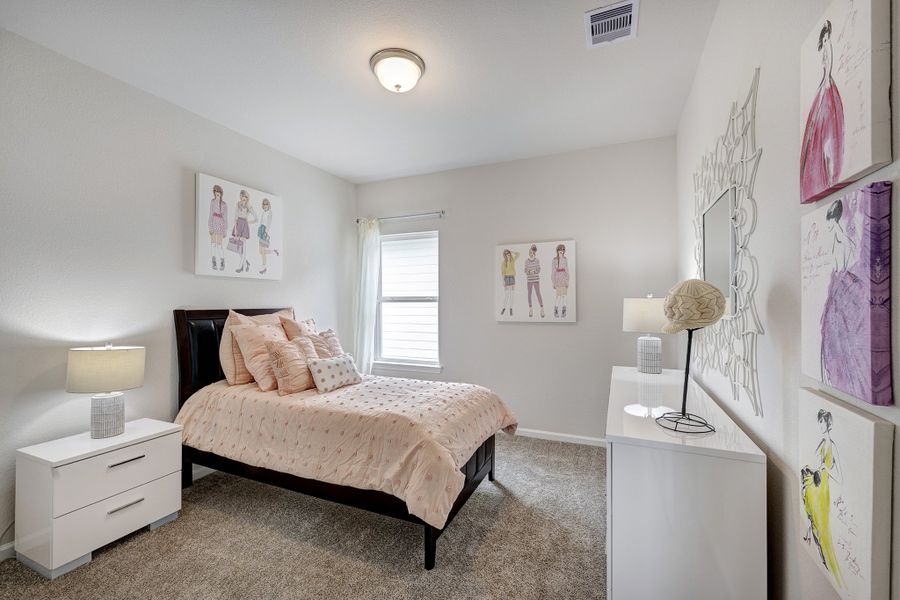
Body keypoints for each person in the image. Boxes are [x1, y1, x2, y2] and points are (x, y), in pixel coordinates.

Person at [800, 19, 844, 203]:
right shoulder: (826, 47)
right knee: (818, 135)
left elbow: (828, 70)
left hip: (826, 87)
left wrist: (826, 85)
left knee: (826, 131)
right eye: (825, 37)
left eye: (827, 36)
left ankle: (829, 174)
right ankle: (823, 174)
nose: (826, 40)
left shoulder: (829, 47)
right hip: (823, 88)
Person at [801, 409, 843, 587]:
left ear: (828, 424)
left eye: (822, 422)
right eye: (818, 422)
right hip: (814, 490)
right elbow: (816, 464)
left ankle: (831, 570)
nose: (820, 425)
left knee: (823, 532)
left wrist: (826, 470)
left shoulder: (832, 445)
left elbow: (839, 476)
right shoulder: (820, 443)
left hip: (822, 493)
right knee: (817, 528)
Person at [232, 190, 258, 273]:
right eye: (243, 196)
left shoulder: (249, 206)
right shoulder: (238, 204)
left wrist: (248, 222)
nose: (244, 198)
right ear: (240, 196)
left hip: (244, 225)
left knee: (243, 247)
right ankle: (245, 262)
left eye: (246, 197)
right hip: (238, 224)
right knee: (237, 247)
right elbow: (235, 217)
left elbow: (256, 218)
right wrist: (235, 229)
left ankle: (241, 266)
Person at [207, 184, 227, 271]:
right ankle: (213, 262)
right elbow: (210, 214)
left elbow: (225, 217)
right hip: (214, 222)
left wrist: (225, 230)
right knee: (213, 244)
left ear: (221, 193)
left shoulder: (224, 204)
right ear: (214, 192)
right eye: (215, 191)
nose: (217, 193)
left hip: (220, 224)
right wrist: (209, 226)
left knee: (219, 245)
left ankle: (222, 262)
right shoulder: (212, 201)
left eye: (218, 191)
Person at [257, 198, 279, 275]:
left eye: (266, 204)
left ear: (268, 205)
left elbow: (269, 224)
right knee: (260, 251)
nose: (265, 205)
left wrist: (265, 233)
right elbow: (261, 222)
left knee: (262, 251)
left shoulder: (270, 212)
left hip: (265, 231)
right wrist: (259, 231)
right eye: (264, 204)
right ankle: (273, 252)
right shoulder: (263, 212)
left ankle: (264, 268)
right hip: (261, 230)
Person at [524, 244, 544, 318]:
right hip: (529, 280)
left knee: (538, 293)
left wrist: (533, 271)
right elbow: (525, 270)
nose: (531, 254)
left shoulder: (537, 260)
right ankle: (530, 308)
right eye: (530, 253)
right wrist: (529, 272)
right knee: (529, 294)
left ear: (534, 253)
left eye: (533, 253)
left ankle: (542, 308)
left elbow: (539, 269)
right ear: (529, 253)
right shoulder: (526, 261)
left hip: (536, 279)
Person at [499, 249, 520, 316]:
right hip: (507, 278)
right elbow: (502, 273)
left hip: (512, 277)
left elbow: (518, 254)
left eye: (508, 253)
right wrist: (503, 282)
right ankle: (504, 308)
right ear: (504, 255)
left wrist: (512, 251)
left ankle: (511, 308)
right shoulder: (503, 262)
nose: (507, 254)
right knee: (507, 294)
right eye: (506, 253)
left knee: (512, 294)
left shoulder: (512, 260)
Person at [551, 244, 570, 318]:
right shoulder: (554, 260)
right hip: (557, 279)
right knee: (558, 295)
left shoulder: (565, 259)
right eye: (560, 249)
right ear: (557, 250)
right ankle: (555, 310)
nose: (561, 251)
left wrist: (567, 281)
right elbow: (553, 271)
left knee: (564, 296)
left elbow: (567, 270)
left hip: (564, 278)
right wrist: (553, 282)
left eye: (563, 250)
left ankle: (564, 311)